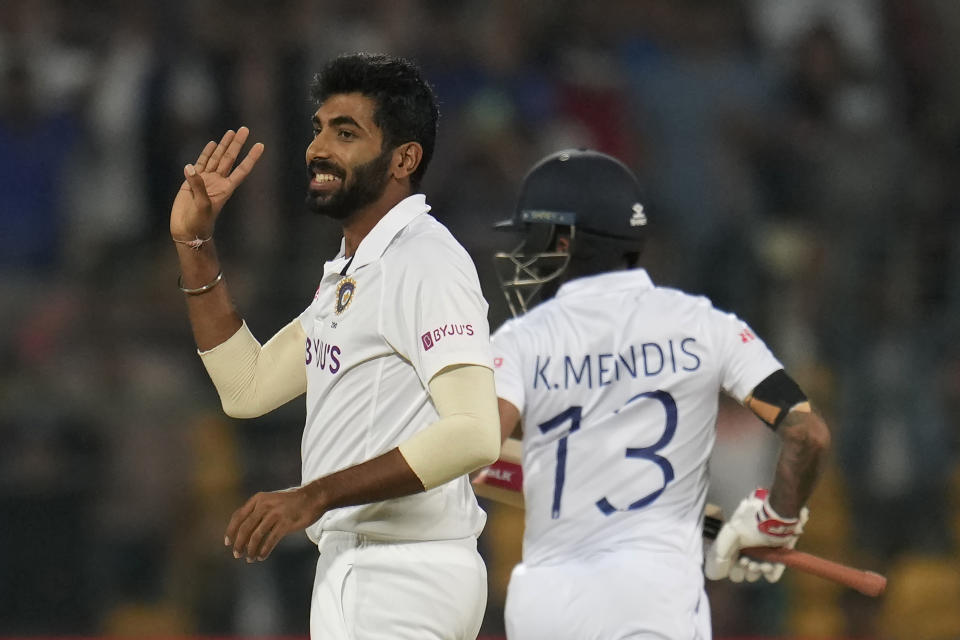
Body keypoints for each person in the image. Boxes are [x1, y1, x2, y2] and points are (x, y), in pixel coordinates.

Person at [168, 53, 501, 640]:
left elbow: (475, 433)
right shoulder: (357, 269)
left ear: (404, 158)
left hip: (398, 572)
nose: (317, 148)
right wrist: (195, 243)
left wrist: (315, 495)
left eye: (346, 133)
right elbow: (247, 388)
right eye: (319, 129)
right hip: (374, 567)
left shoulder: (423, 259)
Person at [488, 149, 831, 639]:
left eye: (533, 238)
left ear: (564, 240)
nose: (525, 255)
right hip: (658, 600)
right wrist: (774, 521)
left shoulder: (520, 340)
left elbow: (475, 453)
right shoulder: (707, 325)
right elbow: (809, 435)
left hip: (549, 603)